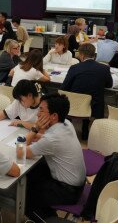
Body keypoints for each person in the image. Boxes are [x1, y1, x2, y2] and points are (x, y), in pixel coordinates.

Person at [23, 93, 86, 222]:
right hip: (77, 183)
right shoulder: (66, 123)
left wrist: (35, 129)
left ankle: (50, 220)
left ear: (54, 116)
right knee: (34, 171)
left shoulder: (52, 139)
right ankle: (47, 211)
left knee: (25, 199)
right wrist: (38, 136)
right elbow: (52, 141)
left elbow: (21, 152)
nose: (38, 114)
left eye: (41, 110)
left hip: (67, 191)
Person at [61, 43, 113, 140]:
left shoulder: (74, 68)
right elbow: (109, 85)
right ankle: (85, 129)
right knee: (91, 97)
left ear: (81, 55)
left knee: (75, 96)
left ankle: (69, 129)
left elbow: (64, 87)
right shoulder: (104, 68)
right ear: (94, 55)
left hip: (75, 105)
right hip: (95, 105)